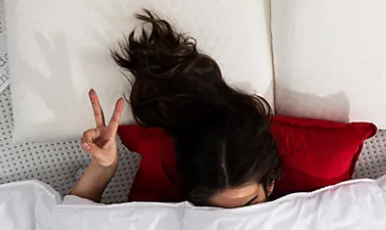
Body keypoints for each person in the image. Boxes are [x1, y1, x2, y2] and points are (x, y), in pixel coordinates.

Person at [71, 11, 282, 208]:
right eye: (215, 212)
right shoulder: (164, 212)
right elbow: (70, 228)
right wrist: (103, 169)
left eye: (249, 207)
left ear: (270, 184)